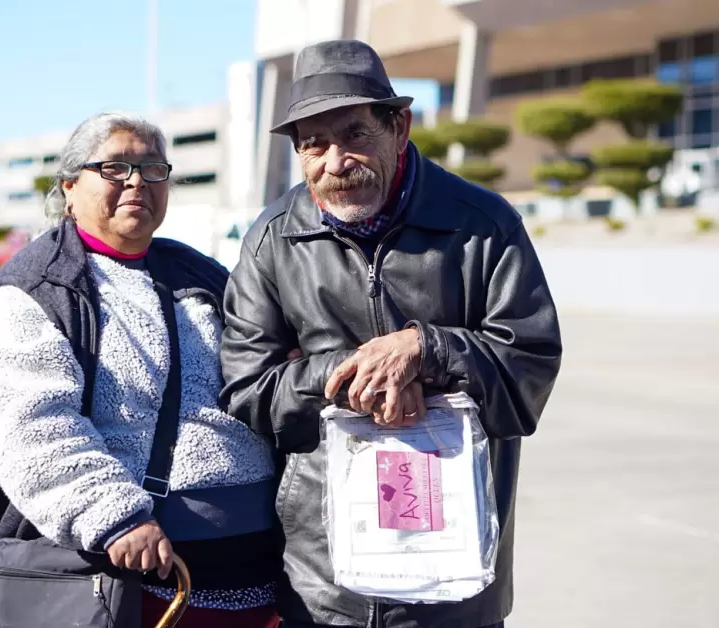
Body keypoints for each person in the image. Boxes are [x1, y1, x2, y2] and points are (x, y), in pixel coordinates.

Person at [219, 40, 563, 628]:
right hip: (322, 585)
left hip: (456, 579)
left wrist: (427, 349)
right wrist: (346, 372)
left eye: (354, 134)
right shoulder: (272, 240)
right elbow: (247, 390)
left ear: (398, 126)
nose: (335, 161)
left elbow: (528, 362)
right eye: (314, 145)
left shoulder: (482, 225)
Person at [0, 111, 281, 628]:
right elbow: (31, 429)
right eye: (115, 168)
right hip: (134, 581)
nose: (137, 182)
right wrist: (116, 518)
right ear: (69, 187)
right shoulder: (37, 290)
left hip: (255, 577)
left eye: (154, 169)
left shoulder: (200, 272)